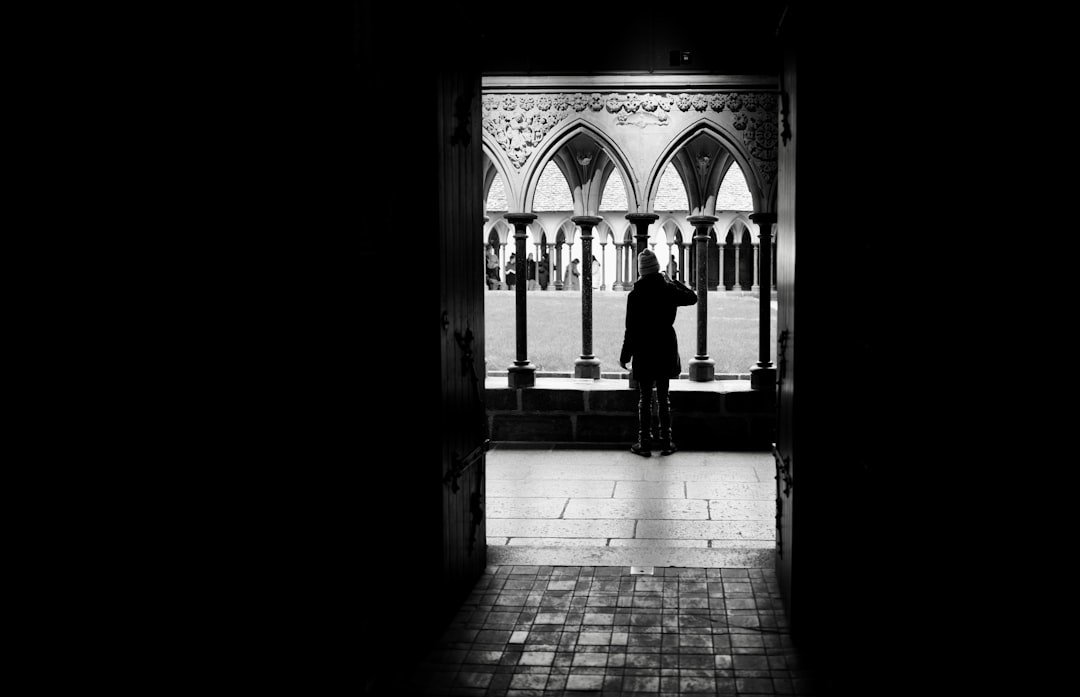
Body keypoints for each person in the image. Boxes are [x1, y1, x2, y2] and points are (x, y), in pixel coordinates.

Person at [618, 248, 697, 457]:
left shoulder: (634, 295)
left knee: (644, 398)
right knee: (663, 397)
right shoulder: (668, 290)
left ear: (641, 271)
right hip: (664, 346)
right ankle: (666, 441)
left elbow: (631, 328)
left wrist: (625, 355)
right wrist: (673, 282)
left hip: (644, 348)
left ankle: (643, 442)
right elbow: (692, 297)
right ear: (657, 269)